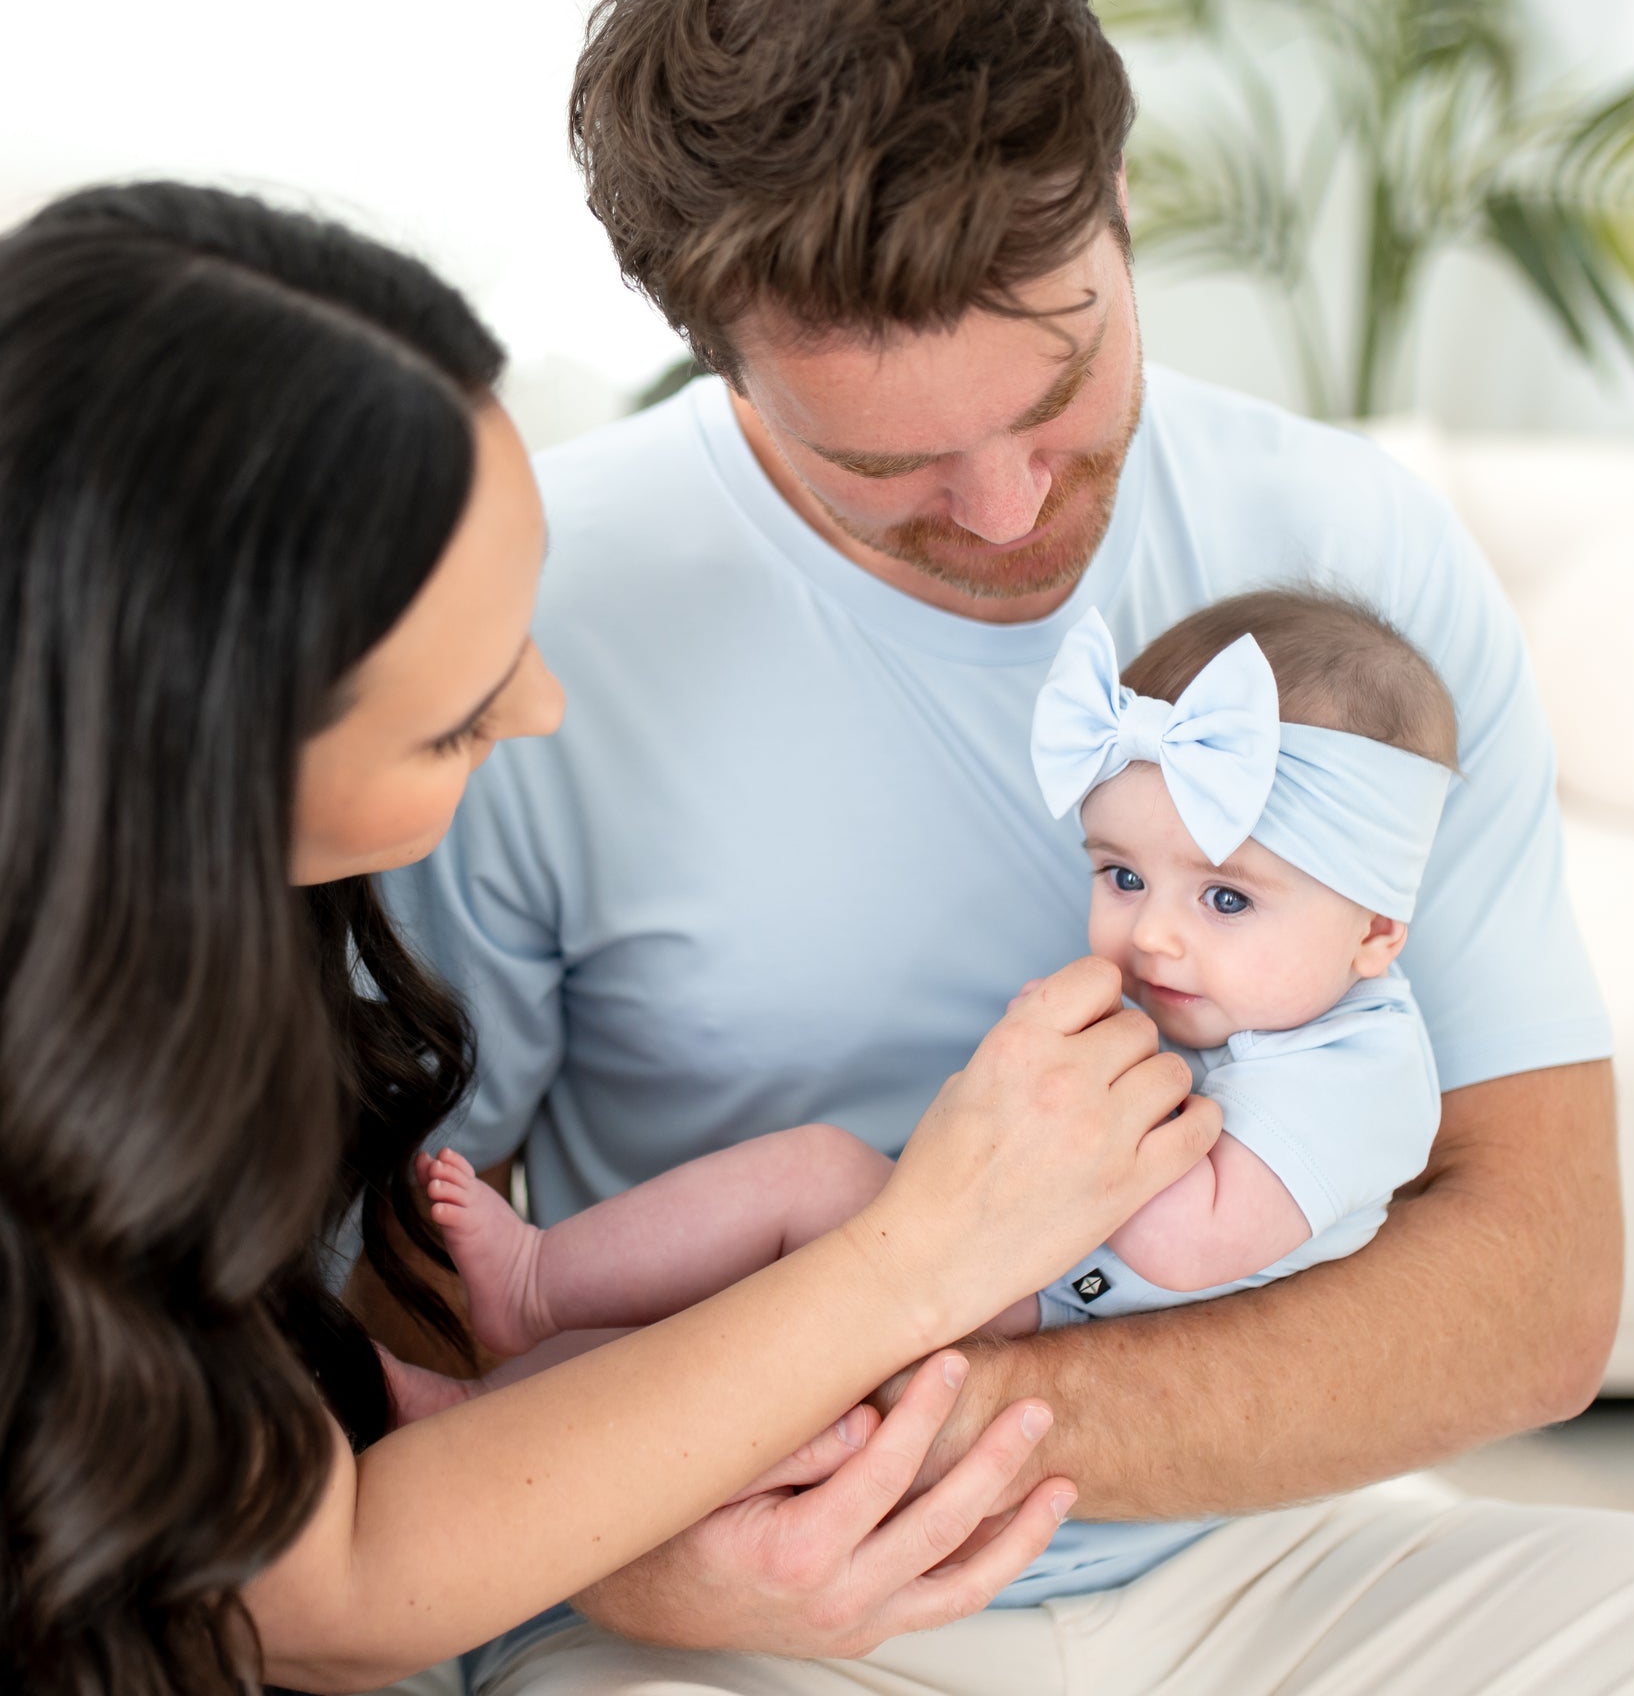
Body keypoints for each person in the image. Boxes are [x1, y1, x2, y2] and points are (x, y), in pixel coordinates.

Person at [376, 0, 1634, 1690]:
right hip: (730, 1609)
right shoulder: (526, 622)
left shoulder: (1359, 563)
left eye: (1060, 385)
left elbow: (1535, 1281)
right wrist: (657, 1538)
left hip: (1273, 1551)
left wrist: (899, 1433)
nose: (1003, 511)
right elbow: (372, 1277)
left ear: (1120, 197)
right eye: (884, 459)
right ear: (717, 354)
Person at [0, 179, 1217, 1696]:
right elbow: (324, 1583)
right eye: (454, 720)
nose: (541, 709)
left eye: (522, 627)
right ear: (187, 764)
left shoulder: (173, 971)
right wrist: (918, 1251)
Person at [379, 586, 1451, 1426]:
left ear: (1375, 931)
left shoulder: (1363, 1080)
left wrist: (1058, 1081)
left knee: (800, 1214)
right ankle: (499, 1389)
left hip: (1038, 1315)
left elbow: (1179, 1245)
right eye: (1123, 877)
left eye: (1224, 898)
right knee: (724, 1310)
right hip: (1006, 1264)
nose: (1153, 936)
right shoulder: (1257, 1006)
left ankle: (532, 1304)